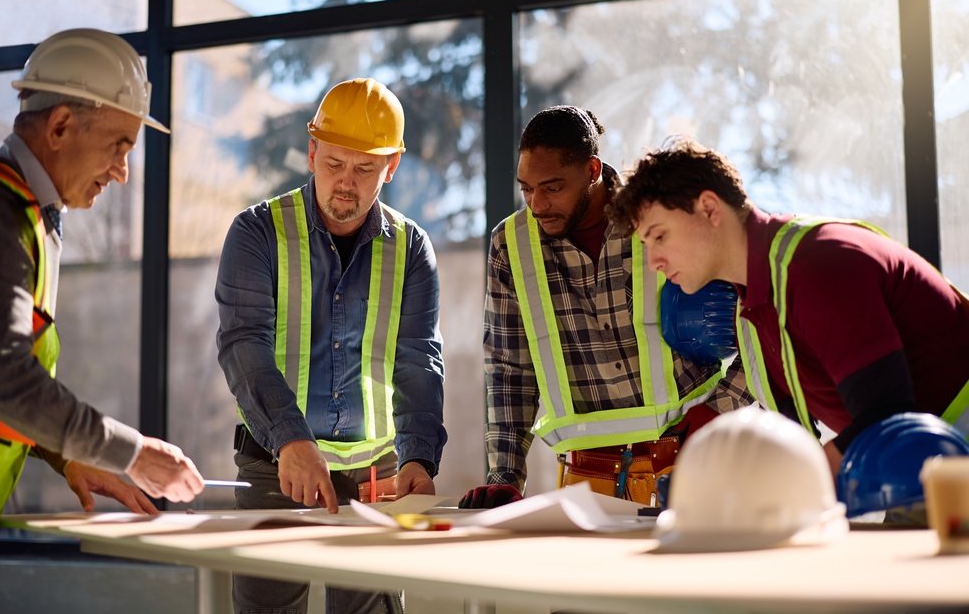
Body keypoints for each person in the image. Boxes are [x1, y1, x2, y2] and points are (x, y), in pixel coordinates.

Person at [0, 28, 205, 612]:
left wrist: (67, 453)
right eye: (119, 145)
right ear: (59, 126)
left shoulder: (27, 212)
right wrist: (128, 451)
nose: (122, 171)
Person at [607, 136, 969, 478]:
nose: (653, 260)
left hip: (943, 446)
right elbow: (792, 436)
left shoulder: (815, 267)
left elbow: (886, 413)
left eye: (659, 236)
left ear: (709, 208)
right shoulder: (750, 308)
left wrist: (796, 487)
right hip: (924, 457)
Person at [215, 77, 446, 614]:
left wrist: (419, 456)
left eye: (365, 169)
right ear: (312, 152)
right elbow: (243, 345)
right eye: (334, 163)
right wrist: (291, 440)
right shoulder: (255, 233)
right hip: (277, 468)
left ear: (390, 168)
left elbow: (419, 358)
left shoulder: (412, 249)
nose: (346, 182)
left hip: (375, 479)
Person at [461, 107, 752, 511]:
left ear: (593, 169)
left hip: (692, 462)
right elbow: (510, 369)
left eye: (553, 187)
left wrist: (717, 413)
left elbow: (757, 326)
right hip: (586, 482)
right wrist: (504, 477)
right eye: (526, 188)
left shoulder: (656, 216)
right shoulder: (509, 246)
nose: (537, 204)